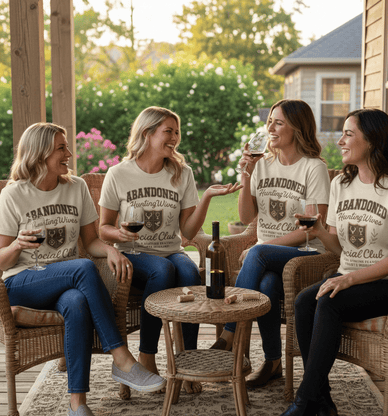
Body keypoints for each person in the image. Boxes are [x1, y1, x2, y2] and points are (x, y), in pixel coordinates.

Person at [0, 123, 167, 416]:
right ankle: (121, 357)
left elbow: (91, 242)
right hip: (22, 281)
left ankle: (77, 404)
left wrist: (111, 249)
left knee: (76, 303)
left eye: (67, 146)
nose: (69, 154)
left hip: (67, 282)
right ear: (39, 154)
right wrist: (16, 246)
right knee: (82, 269)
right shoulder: (13, 195)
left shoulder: (76, 187)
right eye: (61, 148)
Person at [280, 108, 388, 416]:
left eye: (348, 134)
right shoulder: (341, 183)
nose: (340, 141)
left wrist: (349, 279)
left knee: (328, 301)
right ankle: (321, 398)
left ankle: (304, 403)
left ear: (371, 141)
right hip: (350, 277)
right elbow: (339, 248)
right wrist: (317, 231)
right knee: (304, 302)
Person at [98, 106, 242, 394]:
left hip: (170, 249)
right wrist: (119, 233)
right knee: (162, 271)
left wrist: (208, 196)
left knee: (188, 269)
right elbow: (102, 228)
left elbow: (187, 233)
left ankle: (187, 362)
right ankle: (147, 357)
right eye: (169, 131)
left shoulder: (181, 173)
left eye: (177, 132)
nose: (175, 137)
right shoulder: (118, 174)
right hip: (135, 254)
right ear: (147, 133)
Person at [210, 99, 331, 388]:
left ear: (297, 128)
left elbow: (312, 229)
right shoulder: (262, 164)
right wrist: (246, 173)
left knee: (259, 252)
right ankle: (273, 362)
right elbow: (246, 215)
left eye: (279, 122)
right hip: (267, 257)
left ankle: (229, 334)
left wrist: (259, 248)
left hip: (305, 252)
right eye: (270, 122)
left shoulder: (313, 168)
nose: (271, 128)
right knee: (266, 286)